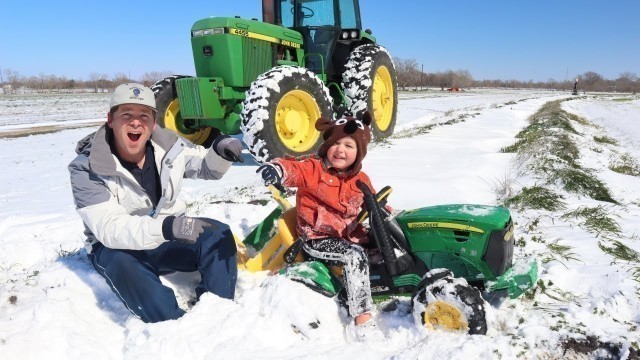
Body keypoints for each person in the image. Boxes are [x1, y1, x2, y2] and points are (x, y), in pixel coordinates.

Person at [68, 83, 242, 323]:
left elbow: (204, 166)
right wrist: (167, 227)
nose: (136, 122)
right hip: (117, 248)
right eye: (126, 115)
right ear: (110, 120)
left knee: (218, 235)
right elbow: (109, 229)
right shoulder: (86, 167)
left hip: (164, 236)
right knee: (125, 267)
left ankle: (218, 313)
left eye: (144, 115)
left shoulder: (169, 146)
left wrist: (220, 152)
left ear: (153, 121)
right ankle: (174, 327)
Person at [256, 111, 385, 342]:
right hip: (316, 238)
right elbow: (292, 169)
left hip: (350, 235)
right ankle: (362, 318)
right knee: (354, 256)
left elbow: (374, 202)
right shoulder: (313, 169)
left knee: (382, 247)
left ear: (359, 153)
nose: (340, 150)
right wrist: (278, 169)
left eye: (349, 145)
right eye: (335, 143)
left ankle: (370, 288)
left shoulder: (361, 179)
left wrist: (386, 213)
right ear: (327, 146)